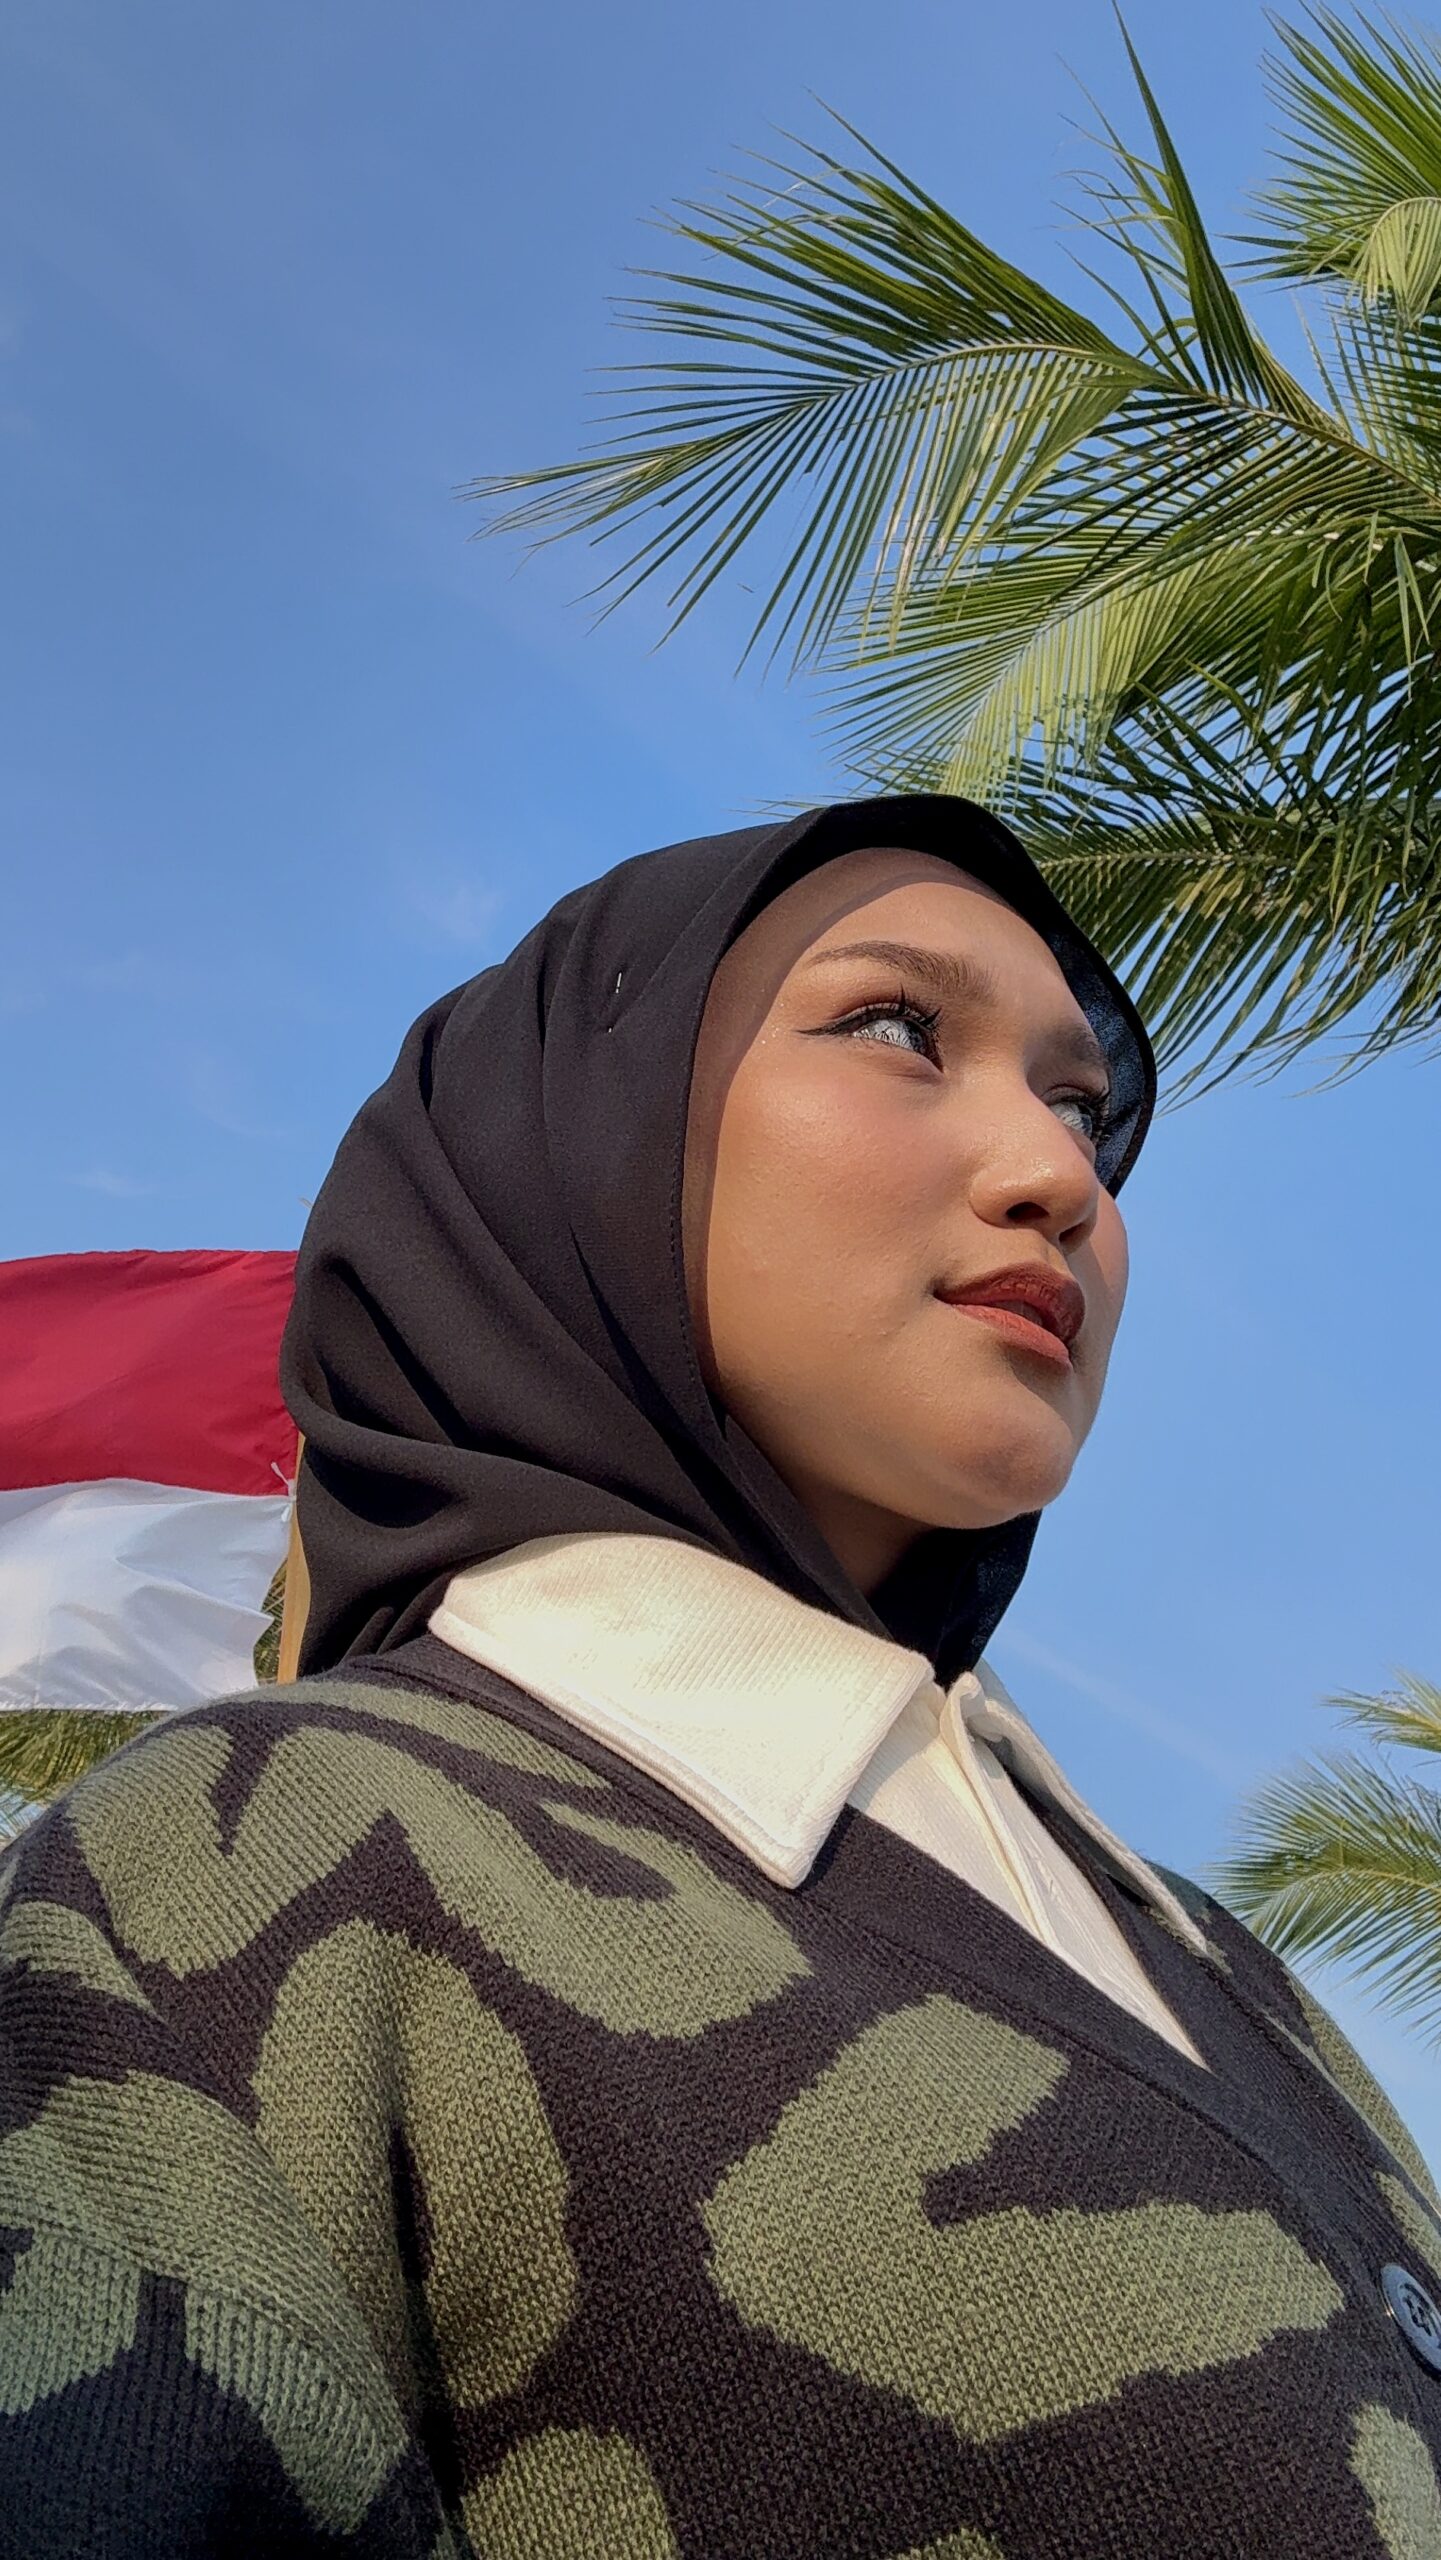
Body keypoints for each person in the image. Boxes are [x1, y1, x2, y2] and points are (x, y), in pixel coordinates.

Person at [0, 793, 1437, 2560]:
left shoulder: (1226, 1969)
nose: (1060, 1178)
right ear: (579, 1135)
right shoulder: (264, 1855)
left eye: (1079, 1104)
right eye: (895, 1027)